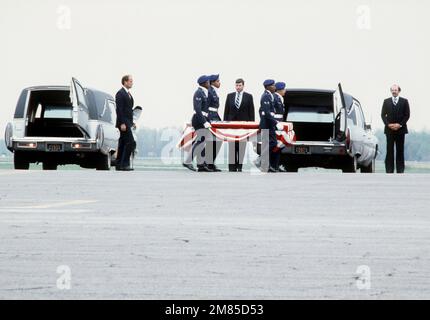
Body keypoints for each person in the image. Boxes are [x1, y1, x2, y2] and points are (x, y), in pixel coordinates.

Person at [182, 75, 214, 172]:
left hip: (203, 119)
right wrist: (204, 122)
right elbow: (197, 109)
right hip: (199, 119)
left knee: (204, 141)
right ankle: (188, 161)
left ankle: (201, 165)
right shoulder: (198, 93)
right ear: (204, 83)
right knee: (201, 141)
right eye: (208, 82)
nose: (209, 83)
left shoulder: (204, 92)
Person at [224, 78, 255, 172]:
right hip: (231, 126)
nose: (238, 87)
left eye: (240, 85)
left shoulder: (249, 96)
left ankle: (239, 167)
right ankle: (232, 168)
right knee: (232, 147)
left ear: (243, 86)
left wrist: (251, 126)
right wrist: (225, 125)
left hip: (243, 127)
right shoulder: (229, 96)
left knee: (241, 147)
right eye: (236, 85)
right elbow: (226, 111)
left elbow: (251, 112)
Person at [381, 84, 410, 174]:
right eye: (392, 90)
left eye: (395, 90)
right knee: (389, 150)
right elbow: (383, 115)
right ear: (391, 91)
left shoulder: (404, 101)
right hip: (389, 130)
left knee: (400, 150)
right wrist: (388, 124)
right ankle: (389, 170)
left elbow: (407, 115)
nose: (394, 91)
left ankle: (400, 170)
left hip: (401, 130)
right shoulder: (386, 101)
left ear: (399, 91)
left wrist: (399, 125)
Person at [259, 79, 283, 172]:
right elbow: (267, 113)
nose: (275, 87)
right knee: (271, 143)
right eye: (273, 85)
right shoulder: (265, 96)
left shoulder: (269, 96)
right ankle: (261, 161)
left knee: (271, 143)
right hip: (267, 124)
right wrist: (276, 123)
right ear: (268, 87)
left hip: (269, 124)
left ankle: (266, 165)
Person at [115, 75, 136, 171]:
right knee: (131, 142)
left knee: (123, 143)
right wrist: (122, 123)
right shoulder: (120, 93)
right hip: (123, 123)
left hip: (128, 122)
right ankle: (125, 164)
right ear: (125, 82)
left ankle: (119, 164)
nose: (132, 83)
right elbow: (119, 110)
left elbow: (129, 110)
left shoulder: (128, 94)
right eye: (130, 81)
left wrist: (133, 122)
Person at [207, 74, 222, 172]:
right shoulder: (209, 91)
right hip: (211, 117)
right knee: (211, 141)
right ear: (212, 82)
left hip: (215, 116)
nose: (219, 82)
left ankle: (211, 162)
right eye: (217, 81)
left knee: (217, 140)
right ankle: (208, 163)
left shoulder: (214, 91)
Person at [273, 82, 287, 172]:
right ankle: (274, 165)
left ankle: (276, 165)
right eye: (284, 89)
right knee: (275, 146)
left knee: (279, 146)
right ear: (281, 90)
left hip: (279, 125)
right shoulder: (275, 98)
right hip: (276, 125)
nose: (285, 91)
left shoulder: (280, 98)